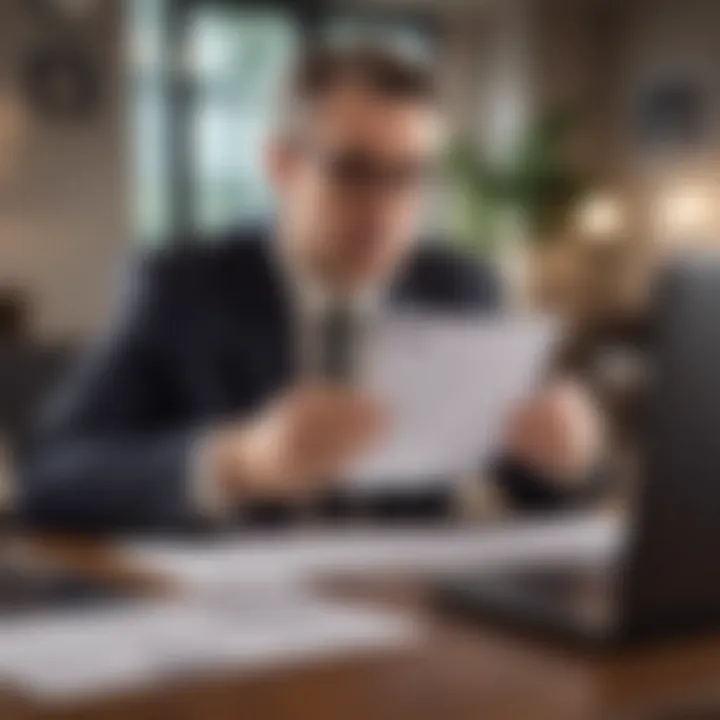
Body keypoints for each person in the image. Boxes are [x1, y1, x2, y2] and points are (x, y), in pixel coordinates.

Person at [22, 44, 603, 531]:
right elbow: (50, 474)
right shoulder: (181, 290)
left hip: (419, 628)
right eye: (352, 171)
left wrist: (571, 456)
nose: (383, 211)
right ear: (281, 165)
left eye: (408, 177)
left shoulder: (463, 289)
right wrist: (238, 462)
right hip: (241, 631)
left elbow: (545, 490)